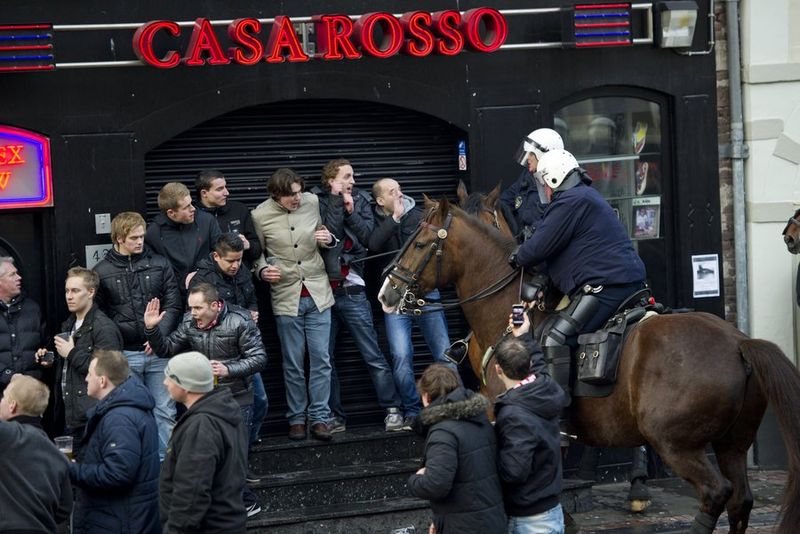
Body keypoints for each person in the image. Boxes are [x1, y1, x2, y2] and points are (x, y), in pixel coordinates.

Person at [508, 148, 646, 392]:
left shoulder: (571, 201)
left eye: (544, 183)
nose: (545, 191)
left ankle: (554, 415)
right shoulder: (584, 197)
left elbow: (537, 248)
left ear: (554, 179)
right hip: (620, 282)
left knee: (554, 338)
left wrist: (517, 254)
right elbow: (563, 251)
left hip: (605, 288)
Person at [145, 282, 266, 516]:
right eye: (191, 308)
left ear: (215, 305)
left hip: (237, 396)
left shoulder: (240, 321)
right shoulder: (190, 322)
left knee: (233, 453)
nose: (193, 314)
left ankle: (245, 502)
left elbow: (259, 358)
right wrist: (152, 330)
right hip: (206, 398)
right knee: (214, 452)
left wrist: (228, 369)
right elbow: (167, 348)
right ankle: (232, 503)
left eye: (198, 308)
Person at [313, 159, 403, 433]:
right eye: (347, 176)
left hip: (352, 289)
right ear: (331, 180)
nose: (353, 181)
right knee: (324, 360)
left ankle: (392, 409)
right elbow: (330, 236)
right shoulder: (315, 201)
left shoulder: (361, 199)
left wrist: (351, 210)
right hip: (322, 293)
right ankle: (334, 417)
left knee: (372, 354)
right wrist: (337, 202)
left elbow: (369, 239)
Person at [252, 168, 335, 441]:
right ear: (276, 195)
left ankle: (320, 418)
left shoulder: (312, 202)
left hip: (318, 292)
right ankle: (297, 418)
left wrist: (329, 239)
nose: (297, 199)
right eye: (291, 196)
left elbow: (328, 235)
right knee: (293, 362)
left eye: (299, 192)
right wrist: (262, 270)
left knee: (322, 359)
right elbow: (257, 254)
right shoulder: (260, 215)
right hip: (286, 296)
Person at [94, 211, 183, 460]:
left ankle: (166, 469)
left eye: (142, 236)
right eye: (134, 238)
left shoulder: (159, 263)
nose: (141, 241)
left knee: (165, 411)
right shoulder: (102, 271)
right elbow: (99, 316)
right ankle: (138, 465)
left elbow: (174, 304)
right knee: (129, 412)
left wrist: (156, 336)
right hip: (124, 354)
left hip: (158, 351)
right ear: (119, 238)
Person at [369, 178, 453, 430]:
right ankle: (412, 410)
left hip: (427, 294)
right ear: (380, 201)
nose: (399, 194)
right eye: (392, 192)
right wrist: (394, 218)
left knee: (444, 353)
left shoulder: (418, 215)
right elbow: (373, 244)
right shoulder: (375, 221)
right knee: (401, 356)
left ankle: (451, 406)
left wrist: (403, 217)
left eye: (400, 189)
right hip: (395, 298)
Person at [189, 233, 268, 477]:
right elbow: (198, 316)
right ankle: (234, 462)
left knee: (260, 402)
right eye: (230, 261)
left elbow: (252, 297)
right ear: (216, 256)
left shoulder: (242, 270)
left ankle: (245, 451)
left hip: (241, 351)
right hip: (216, 355)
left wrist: (252, 311)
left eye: (239, 260)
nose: (235, 265)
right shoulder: (203, 279)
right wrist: (242, 314)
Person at [407, 364, 506, 534]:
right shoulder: (480, 420)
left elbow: (436, 485)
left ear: (426, 397)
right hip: (492, 520)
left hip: (465, 527)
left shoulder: (442, 433)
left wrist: (416, 479)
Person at [494, 311, 568, 534]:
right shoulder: (544, 387)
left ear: (498, 370)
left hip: (530, 519)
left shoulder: (514, 415)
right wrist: (523, 336)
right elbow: (539, 367)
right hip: (550, 509)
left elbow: (514, 471)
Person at [69, 350, 160, 534]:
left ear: (102, 381)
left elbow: (118, 473)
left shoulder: (120, 418)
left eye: (90, 374)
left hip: (119, 522)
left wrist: (71, 470)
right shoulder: (124, 408)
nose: (86, 379)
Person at [160, 351, 248, 533]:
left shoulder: (202, 425)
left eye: (170, 377)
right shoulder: (222, 411)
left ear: (185, 386)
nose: (165, 383)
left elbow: (192, 491)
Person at [50, 267, 123, 447]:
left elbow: (108, 373)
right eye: (67, 290)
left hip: (91, 417)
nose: (69, 296)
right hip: (69, 416)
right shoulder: (70, 323)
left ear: (91, 292)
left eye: (75, 291)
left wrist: (72, 353)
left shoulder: (104, 327)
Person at [0, 374, 72, 532]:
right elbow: (64, 508)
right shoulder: (57, 454)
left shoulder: (8, 435)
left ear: (12, 405)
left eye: (3, 398)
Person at [145, 181, 221, 293]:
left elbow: (221, 253)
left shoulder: (207, 221)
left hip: (207, 289)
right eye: (186, 207)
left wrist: (201, 272)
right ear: (171, 213)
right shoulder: (153, 233)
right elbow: (155, 270)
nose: (193, 208)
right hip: (174, 294)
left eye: (191, 203)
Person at [500, 128, 564, 242]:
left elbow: (555, 222)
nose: (527, 157)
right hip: (524, 243)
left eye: (531, 153)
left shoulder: (557, 183)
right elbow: (504, 201)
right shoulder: (527, 176)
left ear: (544, 155)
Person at [195, 169, 263, 267]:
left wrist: (248, 245)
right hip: (208, 279)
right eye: (220, 189)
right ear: (204, 193)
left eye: (225, 187)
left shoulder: (239, 210)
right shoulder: (193, 217)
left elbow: (257, 250)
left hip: (241, 278)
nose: (227, 192)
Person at [0, 256, 46, 396]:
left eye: (17, 273)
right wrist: (9, 376)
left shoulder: (33, 309)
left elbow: (47, 345)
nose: (19, 277)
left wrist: (47, 358)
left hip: (30, 398)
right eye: (12, 274)